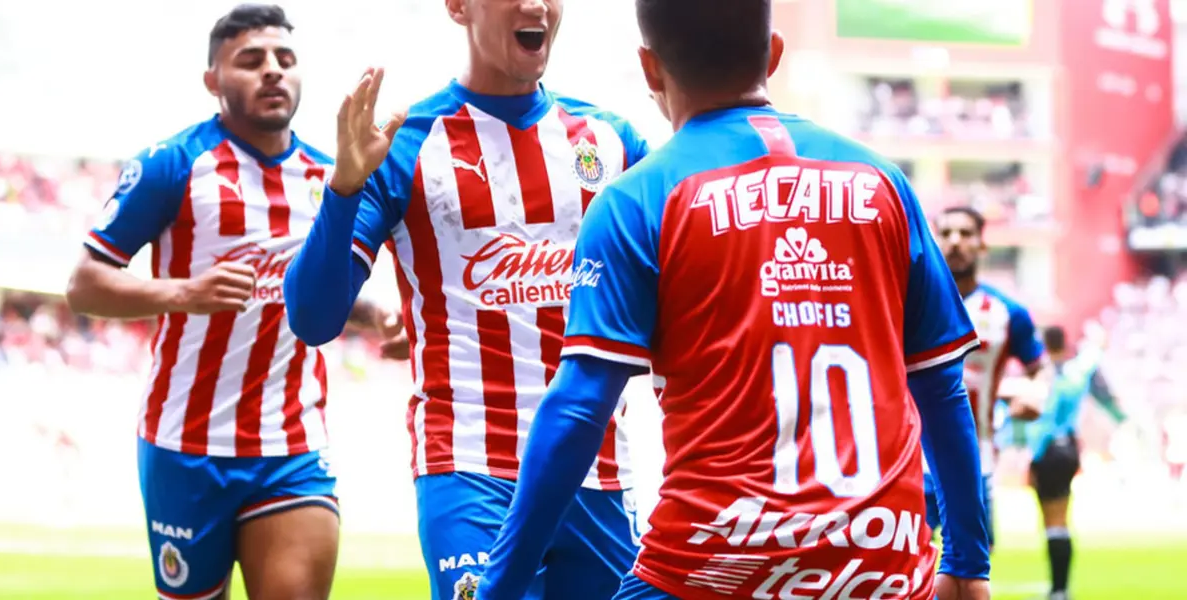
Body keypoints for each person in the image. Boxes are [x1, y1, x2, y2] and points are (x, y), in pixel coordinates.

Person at [473, 0, 991, 598]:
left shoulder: (639, 198)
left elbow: (578, 409)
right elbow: (940, 386)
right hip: (881, 567)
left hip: (713, 565)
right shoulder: (883, 183)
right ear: (773, 54)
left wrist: (500, 588)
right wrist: (967, 562)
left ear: (649, 68)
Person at [281, 0, 650, 597]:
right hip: (471, 469)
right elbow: (313, 318)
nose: (536, 5)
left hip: (599, 470)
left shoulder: (613, 142)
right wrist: (344, 188)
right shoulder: (405, 146)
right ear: (458, 7)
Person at [64, 5, 402, 599]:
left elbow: (312, 290)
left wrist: (374, 315)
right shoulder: (173, 164)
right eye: (251, 60)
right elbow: (84, 284)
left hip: (291, 442)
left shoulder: (330, 177)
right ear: (212, 80)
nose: (272, 70)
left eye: (285, 59)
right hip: (184, 443)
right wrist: (183, 293)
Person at [927, 205, 1047, 549]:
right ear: (934, 242)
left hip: (976, 457)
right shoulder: (907, 303)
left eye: (965, 234)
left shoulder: (1007, 312)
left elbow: (1040, 368)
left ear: (982, 244)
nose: (955, 241)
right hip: (911, 457)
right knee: (905, 562)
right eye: (946, 233)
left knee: (973, 562)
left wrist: (1036, 393)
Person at [1027, 325, 1123, 600]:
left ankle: (1058, 589)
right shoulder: (1076, 372)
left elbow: (1045, 420)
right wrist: (1097, 339)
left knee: (1052, 522)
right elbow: (1094, 354)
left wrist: (1033, 459)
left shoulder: (1045, 376)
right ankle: (1061, 588)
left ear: (1045, 344)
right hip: (1070, 449)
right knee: (1062, 519)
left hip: (1048, 451)